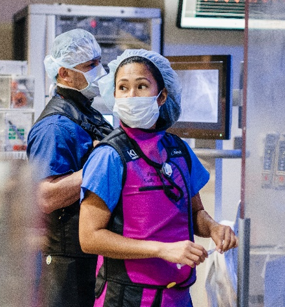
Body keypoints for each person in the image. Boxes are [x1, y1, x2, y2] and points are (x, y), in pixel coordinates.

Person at [78, 49, 238, 306]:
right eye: (123, 87)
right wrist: (162, 249)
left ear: (162, 96)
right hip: (128, 297)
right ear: (114, 95)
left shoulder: (178, 150)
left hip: (178, 295)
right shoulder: (109, 156)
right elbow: (90, 237)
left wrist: (214, 228)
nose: (131, 96)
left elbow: (195, 213)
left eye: (142, 86)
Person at [26, 29, 114, 307]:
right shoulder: (55, 126)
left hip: (91, 252)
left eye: (99, 62)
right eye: (90, 66)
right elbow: (46, 197)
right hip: (68, 260)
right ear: (64, 74)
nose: (99, 71)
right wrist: (101, 163)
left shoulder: (86, 111)